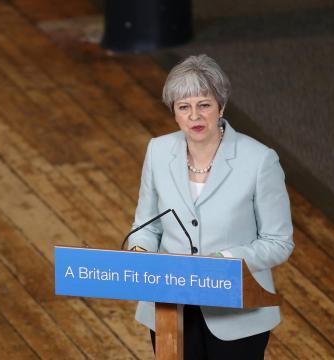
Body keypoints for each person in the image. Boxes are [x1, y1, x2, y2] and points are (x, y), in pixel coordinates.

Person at [127, 54, 294, 359]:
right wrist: (140, 254)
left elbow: (279, 243)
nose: (194, 117)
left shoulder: (260, 160)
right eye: (183, 107)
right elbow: (146, 226)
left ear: (221, 107)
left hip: (237, 313)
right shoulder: (158, 151)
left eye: (204, 104)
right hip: (170, 307)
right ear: (174, 112)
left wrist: (222, 261)